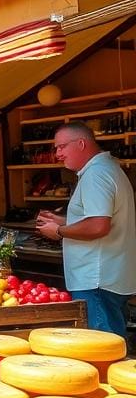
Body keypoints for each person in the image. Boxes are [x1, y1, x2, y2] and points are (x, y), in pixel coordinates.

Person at [37, 123, 136, 337]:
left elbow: (99, 225)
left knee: (102, 348)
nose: (58, 154)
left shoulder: (96, 175)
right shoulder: (106, 169)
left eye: (61, 147)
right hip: (108, 276)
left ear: (81, 144)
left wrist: (60, 230)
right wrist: (64, 219)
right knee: (110, 344)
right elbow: (98, 217)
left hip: (97, 279)